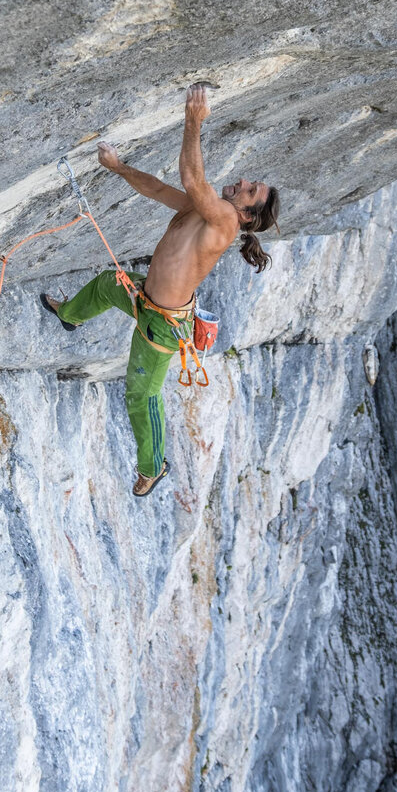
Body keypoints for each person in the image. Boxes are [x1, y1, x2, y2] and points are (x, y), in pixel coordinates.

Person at [42, 84, 280, 496]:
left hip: (162, 327)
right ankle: (69, 315)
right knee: (105, 285)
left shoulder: (225, 222)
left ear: (246, 212)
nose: (242, 181)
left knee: (142, 395)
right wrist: (117, 167)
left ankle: (153, 467)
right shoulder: (203, 210)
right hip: (147, 299)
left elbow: (191, 176)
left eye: (250, 188)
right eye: (250, 181)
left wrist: (193, 119)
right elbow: (155, 188)